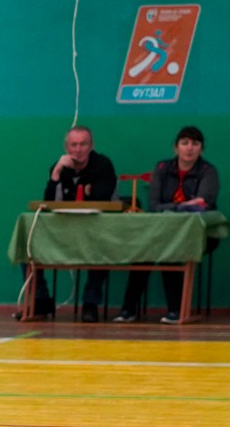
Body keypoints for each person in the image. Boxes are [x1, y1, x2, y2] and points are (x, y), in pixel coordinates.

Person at [117, 125, 220, 325]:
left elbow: (202, 205)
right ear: (176, 147)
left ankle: (176, 310)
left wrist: (178, 206)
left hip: (199, 233)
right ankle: (128, 310)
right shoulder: (162, 168)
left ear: (201, 149)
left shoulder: (209, 172)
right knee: (144, 252)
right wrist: (183, 205)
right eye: (184, 143)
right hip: (163, 231)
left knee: (170, 250)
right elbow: (154, 206)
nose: (189, 148)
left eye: (195, 144)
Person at [37, 125, 117, 321]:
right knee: (29, 245)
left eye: (83, 144)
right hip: (64, 231)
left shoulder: (103, 165)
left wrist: (88, 191)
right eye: (74, 145)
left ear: (91, 146)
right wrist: (55, 176)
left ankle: (90, 304)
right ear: (66, 147)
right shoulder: (59, 167)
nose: (78, 149)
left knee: (102, 247)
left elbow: (102, 197)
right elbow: (49, 204)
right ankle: (40, 302)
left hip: (95, 230)